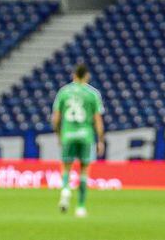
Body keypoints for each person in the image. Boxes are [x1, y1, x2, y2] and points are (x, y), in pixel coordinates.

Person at [52, 63, 105, 218]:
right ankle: (80, 207)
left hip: (68, 134)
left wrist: (59, 135)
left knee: (66, 167)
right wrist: (100, 140)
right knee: (84, 171)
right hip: (86, 136)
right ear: (87, 75)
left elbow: (55, 118)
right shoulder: (93, 94)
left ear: (74, 74)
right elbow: (98, 120)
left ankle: (66, 189)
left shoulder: (64, 92)